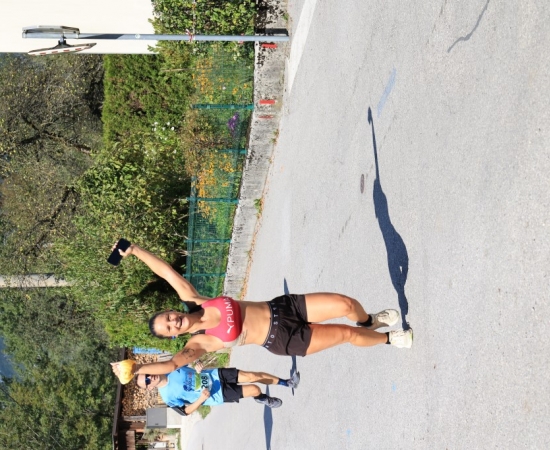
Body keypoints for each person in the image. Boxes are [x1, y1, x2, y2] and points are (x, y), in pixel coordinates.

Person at [111, 243, 413, 379]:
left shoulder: (194, 299)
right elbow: (170, 366)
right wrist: (137, 369)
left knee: (345, 305)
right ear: (172, 336)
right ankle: (390, 339)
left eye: (167, 317)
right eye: (168, 328)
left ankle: (369, 321)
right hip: (282, 339)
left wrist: (134, 250)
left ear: (169, 310)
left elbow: (166, 272)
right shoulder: (198, 343)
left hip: (283, 307)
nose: (173, 322)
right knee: (346, 334)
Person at [136, 362, 300, 414]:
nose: (151, 378)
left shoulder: (170, 367)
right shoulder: (167, 397)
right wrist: (201, 399)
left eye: (148, 375)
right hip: (217, 394)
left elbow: (190, 362)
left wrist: (197, 365)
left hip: (216, 375)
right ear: (149, 388)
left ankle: (287, 382)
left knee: (252, 376)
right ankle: (263, 399)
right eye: (147, 381)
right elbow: (185, 412)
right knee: (255, 389)